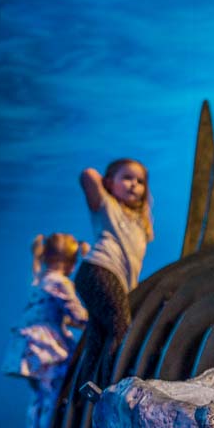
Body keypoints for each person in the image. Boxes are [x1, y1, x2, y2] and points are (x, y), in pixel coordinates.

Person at [4, 232, 89, 428]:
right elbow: (78, 314)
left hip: (31, 347)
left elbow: (53, 312)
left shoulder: (41, 279)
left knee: (39, 397)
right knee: (51, 397)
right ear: (67, 262)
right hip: (46, 348)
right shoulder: (60, 283)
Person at [73, 158, 153, 387]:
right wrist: (106, 185)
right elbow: (88, 173)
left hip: (113, 277)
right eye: (126, 178)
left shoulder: (140, 221)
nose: (134, 185)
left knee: (98, 335)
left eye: (140, 181)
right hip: (99, 269)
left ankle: (86, 387)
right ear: (109, 183)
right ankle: (112, 384)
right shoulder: (107, 206)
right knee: (121, 326)